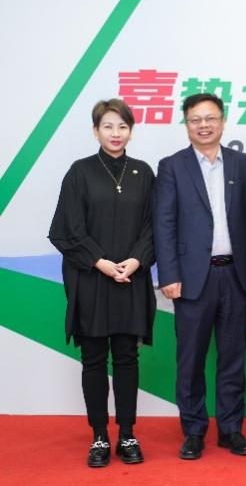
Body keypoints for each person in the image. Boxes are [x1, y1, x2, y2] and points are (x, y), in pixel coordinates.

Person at [152, 93, 246, 460]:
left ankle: (231, 430)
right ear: (187, 124)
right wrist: (168, 274)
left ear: (223, 121)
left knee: (233, 359)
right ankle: (194, 431)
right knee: (191, 361)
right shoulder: (172, 166)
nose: (204, 125)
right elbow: (163, 224)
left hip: (235, 275)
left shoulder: (242, 164)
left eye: (210, 118)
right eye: (196, 119)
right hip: (190, 279)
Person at [49, 98, 156, 467]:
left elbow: (154, 226)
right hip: (91, 279)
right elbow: (66, 229)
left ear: (131, 131)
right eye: (108, 126)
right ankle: (98, 436)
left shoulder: (143, 172)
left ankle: (127, 434)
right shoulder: (79, 172)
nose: (116, 133)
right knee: (93, 360)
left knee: (127, 358)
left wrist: (136, 260)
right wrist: (101, 262)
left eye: (123, 126)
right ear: (96, 131)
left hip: (131, 278)